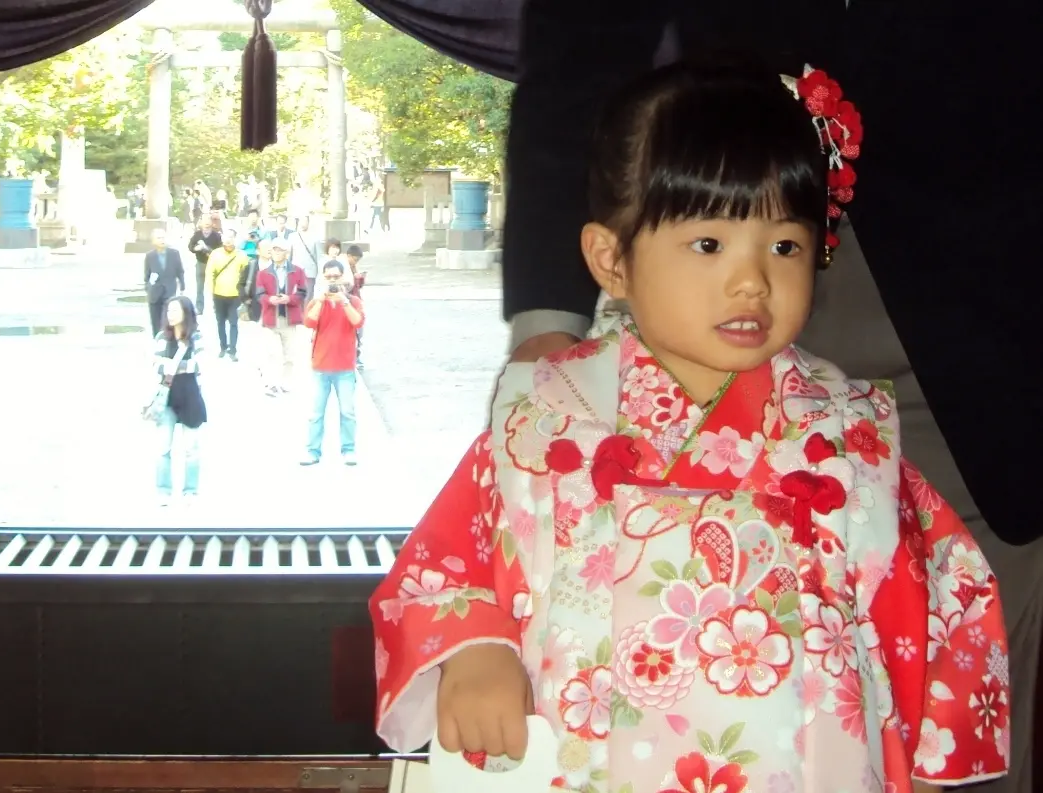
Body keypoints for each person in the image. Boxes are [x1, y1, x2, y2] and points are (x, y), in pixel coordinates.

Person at [370, 61, 1008, 793]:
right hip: (585, 760)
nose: (752, 281)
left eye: (784, 246)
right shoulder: (544, 423)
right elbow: (444, 570)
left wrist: (923, 759)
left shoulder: (848, 436)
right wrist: (476, 648)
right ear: (611, 258)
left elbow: (943, 603)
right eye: (709, 244)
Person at [301, 260, 364, 466]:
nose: (332, 281)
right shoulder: (316, 302)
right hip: (321, 367)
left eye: (336, 277)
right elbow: (309, 322)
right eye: (328, 277)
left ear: (343, 278)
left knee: (347, 412)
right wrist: (320, 300)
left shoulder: (353, 301)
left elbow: (358, 322)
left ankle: (349, 450)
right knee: (316, 414)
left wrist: (344, 301)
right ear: (323, 278)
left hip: (345, 367)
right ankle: (312, 451)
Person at [152, 295, 206, 506]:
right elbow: (156, 365)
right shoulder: (162, 337)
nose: (171, 315)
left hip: (190, 396)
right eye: (169, 310)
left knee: (191, 449)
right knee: (163, 448)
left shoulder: (196, 337)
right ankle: (163, 490)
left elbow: (200, 364)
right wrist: (182, 367)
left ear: (186, 313)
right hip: (167, 396)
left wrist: (172, 367)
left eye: (175, 310)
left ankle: (190, 491)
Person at [251, 237, 308, 396]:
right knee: (270, 352)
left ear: (286, 252)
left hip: (289, 319)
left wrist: (290, 299)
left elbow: (302, 292)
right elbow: (259, 294)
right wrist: (269, 299)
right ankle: (270, 383)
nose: (276, 252)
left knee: (289, 354)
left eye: (279, 250)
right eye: (274, 249)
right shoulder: (263, 273)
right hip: (270, 317)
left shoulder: (297, 271)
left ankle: (285, 382)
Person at [206, 229, 246, 361]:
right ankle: (223, 347)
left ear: (235, 239)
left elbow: (246, 275)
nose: (228, 239)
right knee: (220, 322)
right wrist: (211, 291)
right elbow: (210, 273)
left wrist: (245, 294)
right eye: (226, 236)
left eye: (231, 237)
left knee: (234, 322)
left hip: (235, 295)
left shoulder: (241, 255)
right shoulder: (215, 254)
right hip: (218, 294)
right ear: (222, 238)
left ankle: (233, 350)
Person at [142, 228, 185, 337]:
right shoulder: (150, 256)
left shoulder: (174, 254)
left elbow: (180, 271)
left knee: (170, 320)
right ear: (153, 241)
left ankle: (169, 340)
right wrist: (148, 288)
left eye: (163, 237)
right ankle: (157, 339)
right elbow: (147, 276)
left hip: (169, 293)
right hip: (154, 294)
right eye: (159, 238)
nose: (162, 240)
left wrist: (182, 287)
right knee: (156, 322)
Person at [188, 216, 222, 313]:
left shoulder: (216, 235)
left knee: (215, 286)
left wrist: (208, 249)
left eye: (208, 221)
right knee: (199, 287)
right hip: (200, 263)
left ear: (211, 223)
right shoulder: (197, 234)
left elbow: (220, 249)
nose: (206, 223)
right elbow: (190, 246)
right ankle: (199, 308)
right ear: (201, 223)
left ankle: (217, 307)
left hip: (213, 264)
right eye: (204, 221)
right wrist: (195, 248)